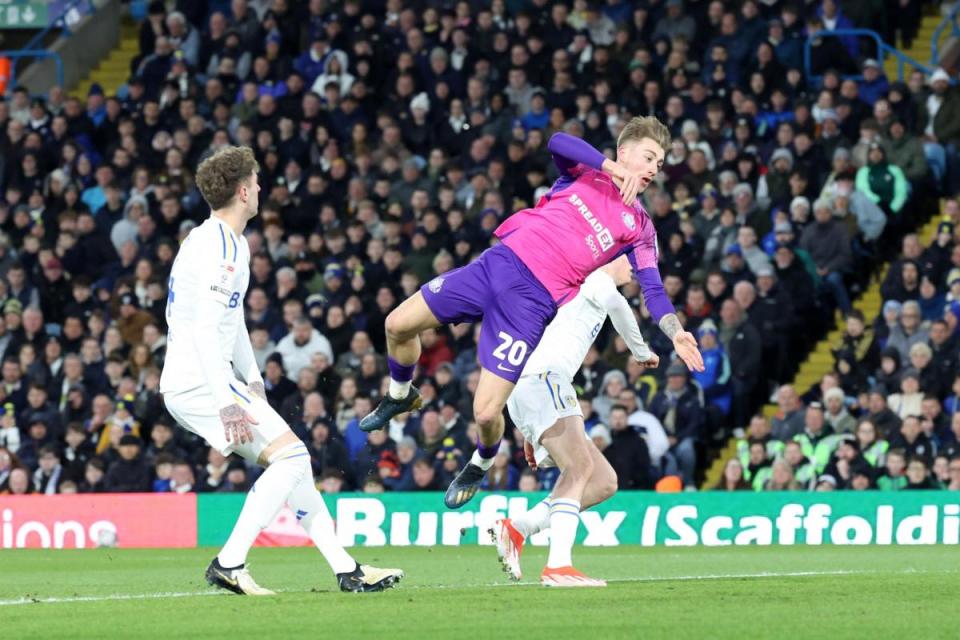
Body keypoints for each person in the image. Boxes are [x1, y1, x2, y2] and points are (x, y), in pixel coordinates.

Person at [360, 119, 704, 510]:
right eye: (648, 158)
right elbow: (558, 141)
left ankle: (482, 459)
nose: (653, 169)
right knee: (396, 325)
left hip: (528, 304)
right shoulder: (587, 173)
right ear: (623, 153)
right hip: (494, 266)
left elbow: (653, 289)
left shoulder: (640, 227)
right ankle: (401, 394)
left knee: (486, 411)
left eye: (659, 164)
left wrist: (674, 331)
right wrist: (610, 168)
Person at [159, 146, 401, 596]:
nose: (262, 189)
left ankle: (346, 569)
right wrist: (228, 401)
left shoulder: (218, 240)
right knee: (292, 458)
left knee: (293, 465)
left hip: (202, 378)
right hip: (199, 381)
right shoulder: (220, 248)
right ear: (243, 190)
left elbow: (231, 323)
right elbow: (208, 330)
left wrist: (251, 381)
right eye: (257, 180)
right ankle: (229, 562)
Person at [489, 256, 659, 587]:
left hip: (533, 384)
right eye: (633, 260)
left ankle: (518, 528)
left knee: (604, 481)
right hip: (544, 379)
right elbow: (617, 305)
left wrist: (530, 427)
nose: (636, 269)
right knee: (579, 469)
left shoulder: (577, 284)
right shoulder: (596, 276)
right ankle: (558, 566)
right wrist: (640, 352)